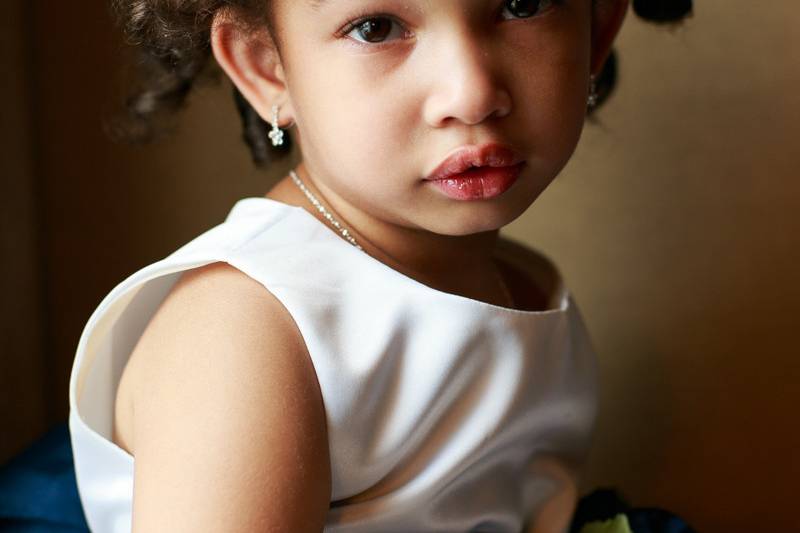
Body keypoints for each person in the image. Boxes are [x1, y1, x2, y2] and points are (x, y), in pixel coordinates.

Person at [67, 1, 694, 532]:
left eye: (522, 2)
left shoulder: (518, 278)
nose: (470, 92)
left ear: (598, 26)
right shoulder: (246, 331)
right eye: (376, 27)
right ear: (267, 69)